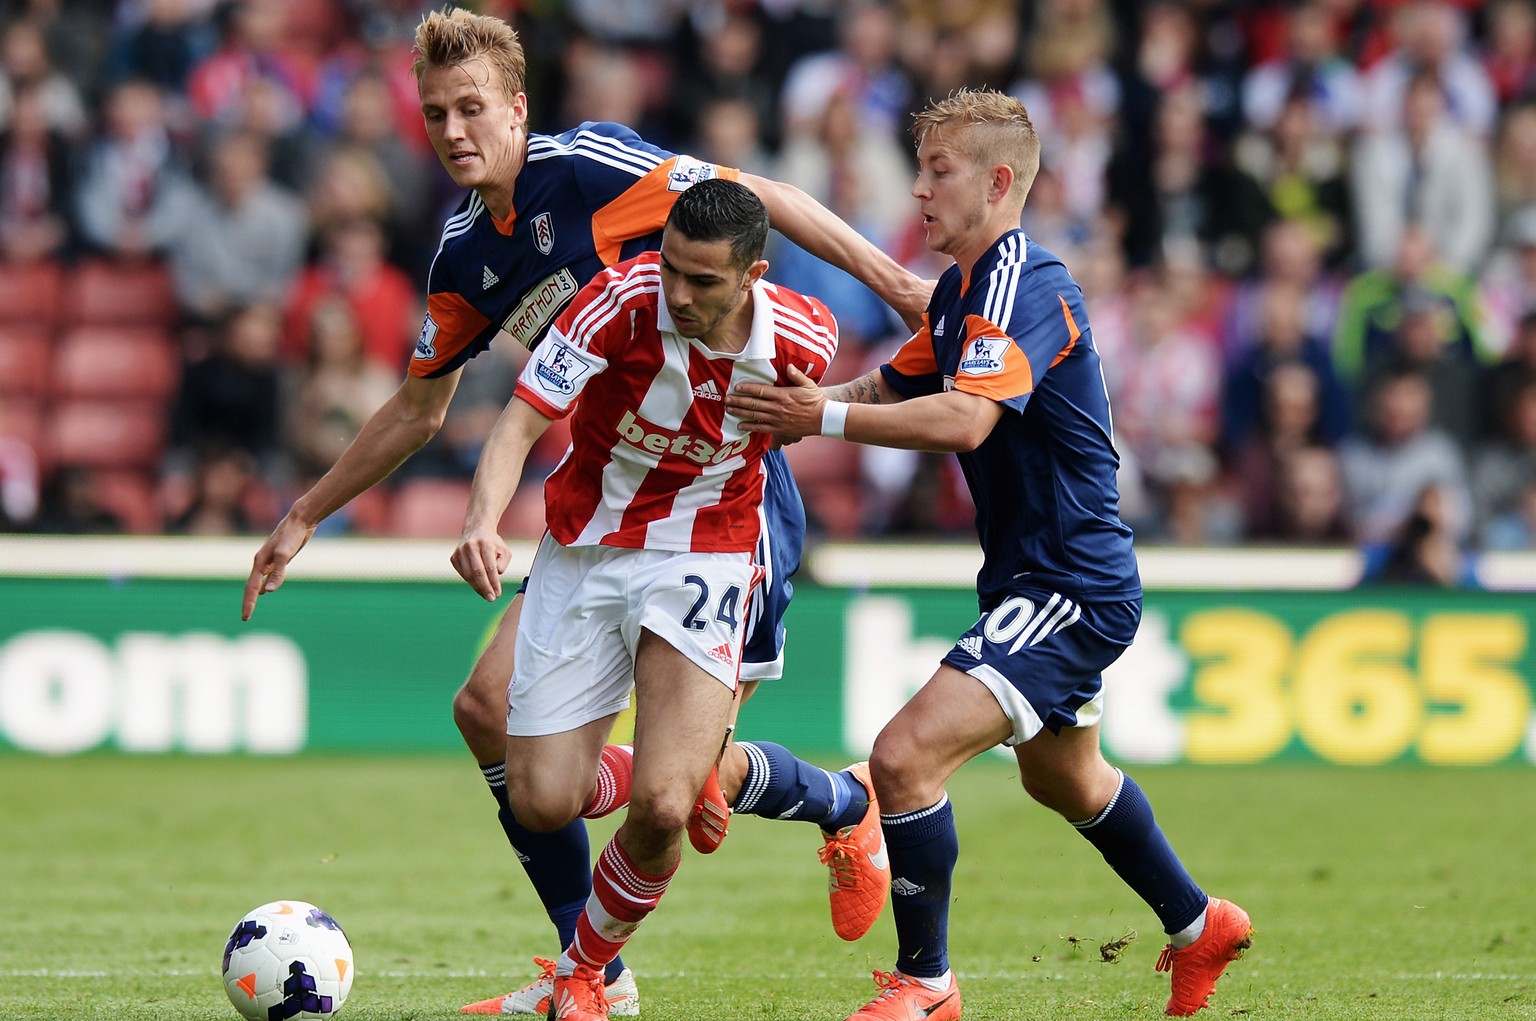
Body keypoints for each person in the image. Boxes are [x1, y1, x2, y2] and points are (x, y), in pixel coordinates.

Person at [241, 7, 922, 1015]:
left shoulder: (591, 169)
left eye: (472, 107)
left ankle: (841, 804)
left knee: (678, 787)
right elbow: (423, 406)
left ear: (517, 109)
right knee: (490, 715)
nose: (454, 129)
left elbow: (757, 199)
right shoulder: (467, 255)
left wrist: (901, 286)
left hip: (723, 496)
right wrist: (305, 511)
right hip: (601, 507)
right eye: (434, 114)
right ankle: (590, 963)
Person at [726, 89, 1253, 1020]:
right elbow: (894, 384)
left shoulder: (1026, 279)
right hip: (1035, 577)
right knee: (1064, 776)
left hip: (1070, 584)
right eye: (921, 168)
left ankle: (926, 986)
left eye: (939, 172)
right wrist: (795, 411)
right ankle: (1197, 923)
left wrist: (826, 417)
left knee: (902, 759)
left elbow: (966, 420)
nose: (920, 191)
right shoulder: (968, 292)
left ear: (999, 181)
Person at [450, 177, 837, 1021]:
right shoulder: (615, 301)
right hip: (586, 552)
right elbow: (519, 421)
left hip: (706, 555)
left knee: (665, 805)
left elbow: (836, 409)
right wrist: (482, 519)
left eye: (704, 280)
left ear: (753, 275)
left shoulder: (804, 335)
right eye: (671, 270)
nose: (680, 294)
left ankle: (587, 974)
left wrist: (825, 416)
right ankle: (751, 778)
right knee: (542, 799)